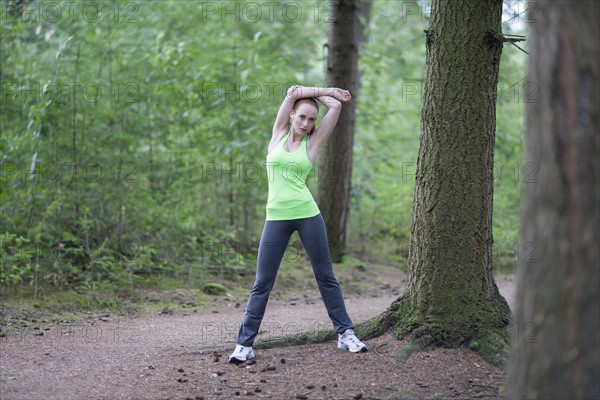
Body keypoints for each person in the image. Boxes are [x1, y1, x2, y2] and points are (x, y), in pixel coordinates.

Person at [228, 85, 367, 363]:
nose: (306, 124)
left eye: (312, 119)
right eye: (302, 117)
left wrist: (332, 98)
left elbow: (336, 108)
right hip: (276, 217)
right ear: (291, 115)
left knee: (325, 275)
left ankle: (345, 333)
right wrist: (328, 90)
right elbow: (293, 92)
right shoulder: (277, 135)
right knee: (262, 282)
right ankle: (244, 345)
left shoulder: (312, 143)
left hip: (307, 214)